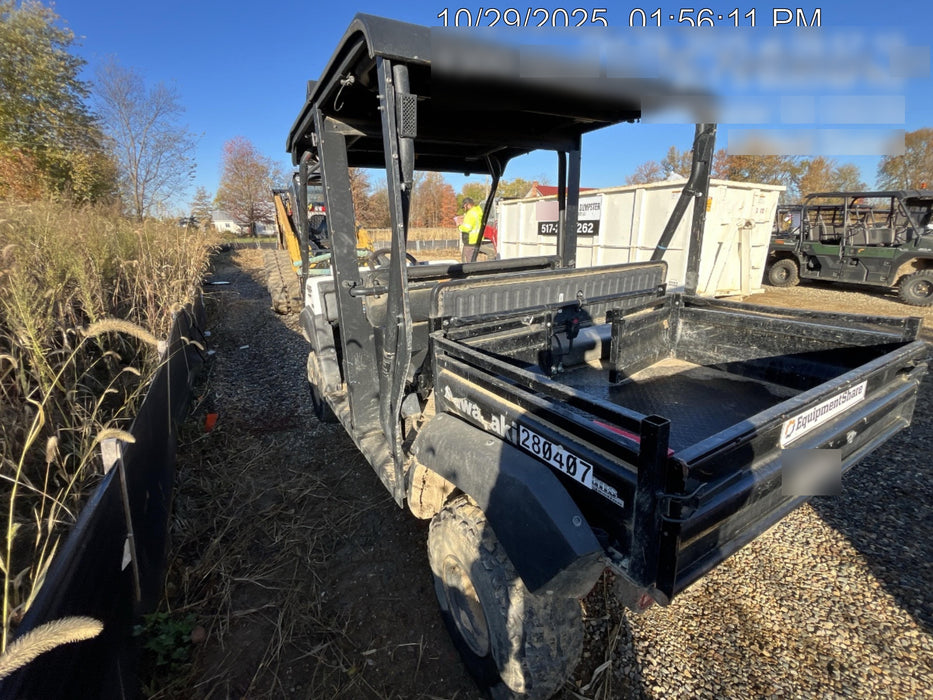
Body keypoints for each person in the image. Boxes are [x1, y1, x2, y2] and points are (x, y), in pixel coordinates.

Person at [456, 198, 497, 262]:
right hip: (478, 240)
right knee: (488, 253)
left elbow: (467, 228)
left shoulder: (470, 214)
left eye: (464, 207)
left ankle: (471, 271)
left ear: (467, 205)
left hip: (470, 241)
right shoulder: (478, 211)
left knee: (466, 261)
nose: (464, 209)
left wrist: (459, 226)